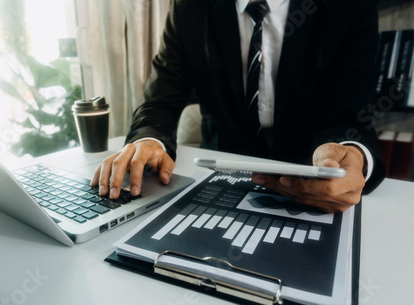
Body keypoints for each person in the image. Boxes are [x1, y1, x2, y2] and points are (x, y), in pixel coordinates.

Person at [91, 0, 386, 213]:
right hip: (217, 182)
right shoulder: (189, 10)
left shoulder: (349, 8)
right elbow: (159, 102)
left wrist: (353, 155)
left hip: (309, 187)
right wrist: (148, 139)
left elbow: (352, 114)